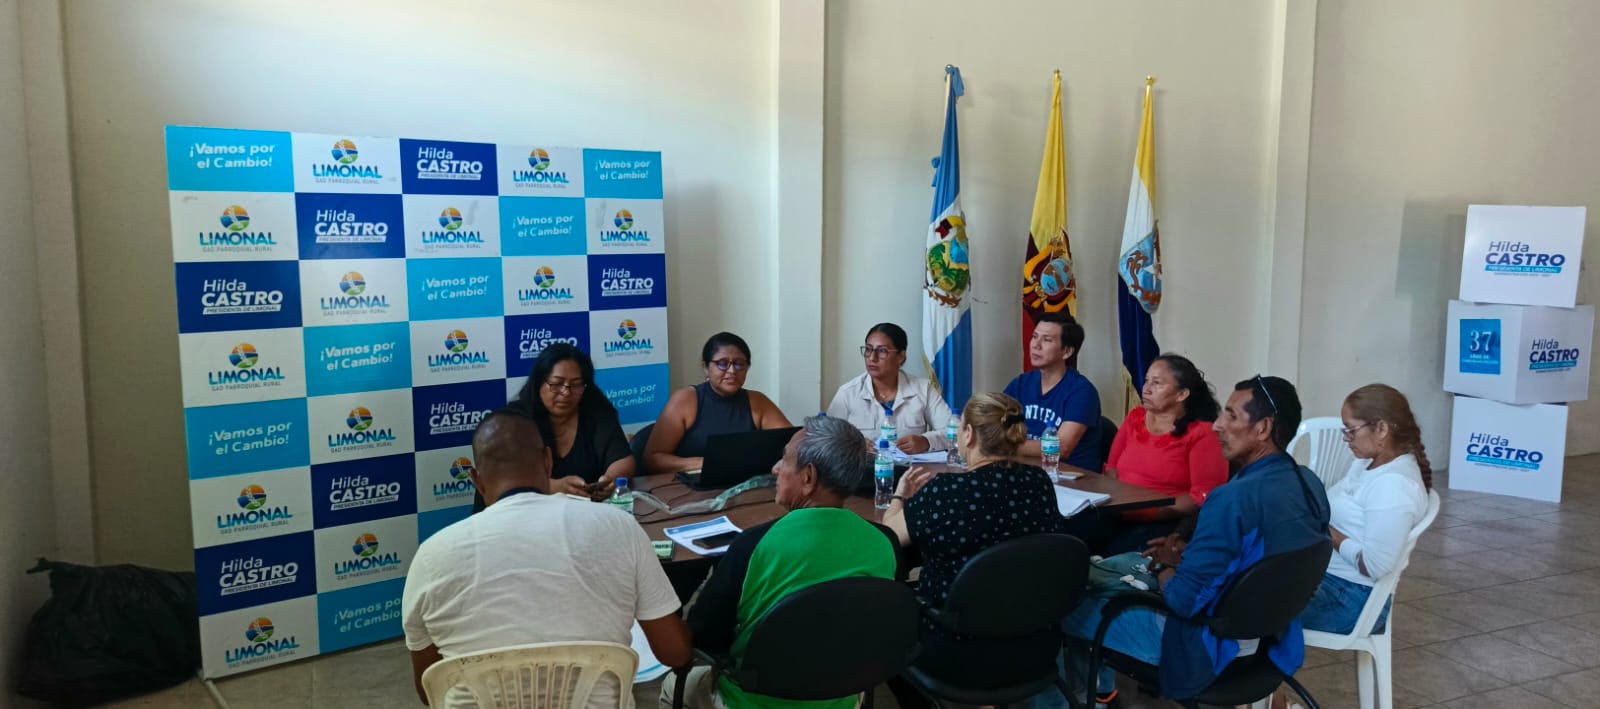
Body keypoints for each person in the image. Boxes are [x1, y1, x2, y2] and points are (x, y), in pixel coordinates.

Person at [1035, 376, 1331, 708]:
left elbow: (1182, 601)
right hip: (1269, 639)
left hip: (1205, 645)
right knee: (1105, 575)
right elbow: (1263, 560)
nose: (1217, 425)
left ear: (1263, 428)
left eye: (1231, 415)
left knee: (1057, 602)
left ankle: (1072, 701)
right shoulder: (1309, 484)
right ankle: (1098, 693)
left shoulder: (1231, 499)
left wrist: (1165, 566)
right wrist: (1191, 555)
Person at [404, 411, 690, 708]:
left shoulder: (430, 557)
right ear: (548, 462)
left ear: (476, 480)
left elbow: (429, 689)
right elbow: (675, 652)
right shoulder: (619, 526)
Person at [664, 415, 898, 709]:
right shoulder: (884, 542)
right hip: (842, 697)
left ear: (808, 477)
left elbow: (704, 636)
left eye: (785, 459)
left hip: (751, 699)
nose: (775, 468)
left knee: (672, 686)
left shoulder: (752, 546)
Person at [881, 392, 1064, 708]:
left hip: (955, 652)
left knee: (885, 621)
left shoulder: (947, 491)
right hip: (1035, 646)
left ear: (968, 433)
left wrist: (900, 495)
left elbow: (891, 534)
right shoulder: (1039, 483)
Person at [1303, 384, 1431, 634]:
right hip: (1329, 579)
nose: (1346, 438)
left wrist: (1325, 530)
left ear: (1382, 429)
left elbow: (1374, 566)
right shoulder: (1368, 463)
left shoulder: (1393, 486)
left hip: (1351, 600)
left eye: (1351, 430)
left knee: (1250, 607)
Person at [471, 343, 631, 512]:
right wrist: (551, 487)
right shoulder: (515, 422)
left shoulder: (596, 411)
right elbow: (500, 480)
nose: (566, 392)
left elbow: (622, 457)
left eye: (576, 384)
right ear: (539, 382)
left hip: (583, 515)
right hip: (520, 514)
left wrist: (612, 479)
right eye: (557, 384)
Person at [1096, 354, 1227, 554]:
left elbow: (1202, 497)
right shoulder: (1135, 417)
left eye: (1157, 383)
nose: (1146, 388)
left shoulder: (1203, 433)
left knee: (1111, 556)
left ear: (1181, 394)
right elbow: (1112, 468)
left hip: (1165, 521)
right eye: (1147, 380)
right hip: (1117, 512)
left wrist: (1150, 510)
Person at [645, 332, 793, 475]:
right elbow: (652, 459)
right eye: (722, 364)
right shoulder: (685, 399)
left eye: (739, 364)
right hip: (690, 486)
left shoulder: (758, 401)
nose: (732, 371)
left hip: (744, 484)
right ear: (705, 367)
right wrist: (705, 463)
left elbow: (794, 444)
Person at [826, 322, 955, 453]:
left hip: (910, 465)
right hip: (862, 465)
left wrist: (926, 441)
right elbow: (825, 438)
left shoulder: (923, 389)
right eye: (868, 349)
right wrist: (852, 444)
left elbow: (955, 431)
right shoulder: (848, 393)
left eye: (882, 351)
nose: (872, 358)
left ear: (901, 356)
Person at [1003, 312, 1103, 471]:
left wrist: (1002, 446)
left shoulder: (1082, 392)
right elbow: (991, 422)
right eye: (1035, 336)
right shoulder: (1021, 383)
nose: (1036, 345)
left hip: (1070, 478)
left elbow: (1060, 448)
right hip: (1028, 471)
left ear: (1067, 351)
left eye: (1047, 340)